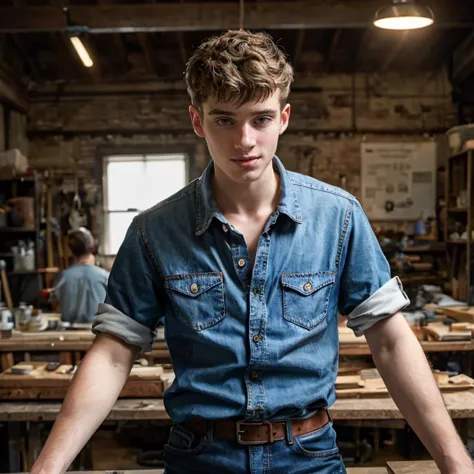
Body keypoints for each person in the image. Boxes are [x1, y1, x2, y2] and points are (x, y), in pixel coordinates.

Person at [31, 30, 473, 474]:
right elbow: (113, 353)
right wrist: (46, 468)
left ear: (283, 118)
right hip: (201, 459)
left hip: (309, 458)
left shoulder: (337, 218)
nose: (244, 140)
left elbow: (392, 341)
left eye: (259, 119)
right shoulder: (154, 231)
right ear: (197, 121)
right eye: (224, 120)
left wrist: (458, 465)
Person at [54, 227, 109, 324]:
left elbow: (56, 305)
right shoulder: (104, 276)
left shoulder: (64, 276)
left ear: (72, 250)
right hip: (99, 331)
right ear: (92, 247)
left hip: (69, 331)